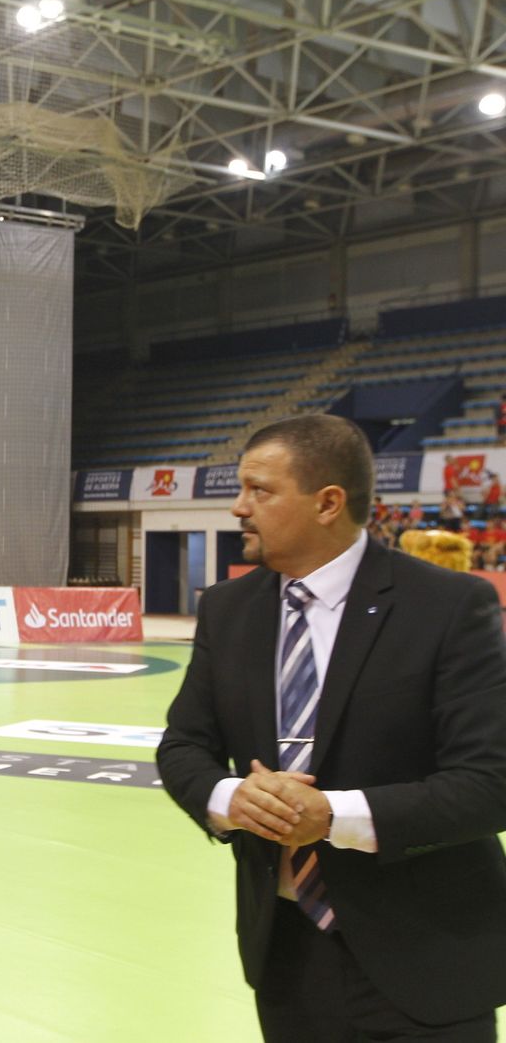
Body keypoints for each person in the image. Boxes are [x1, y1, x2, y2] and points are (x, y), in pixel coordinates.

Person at [157, 413, 506, 1041]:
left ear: (328, 503)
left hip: (425, 959)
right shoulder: (228, 611)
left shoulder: (451, 607)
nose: (239, 507)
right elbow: (183, 746)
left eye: (260, 490)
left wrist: (334, 817)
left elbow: (489, 783)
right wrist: (230, 798)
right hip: (285, 956)